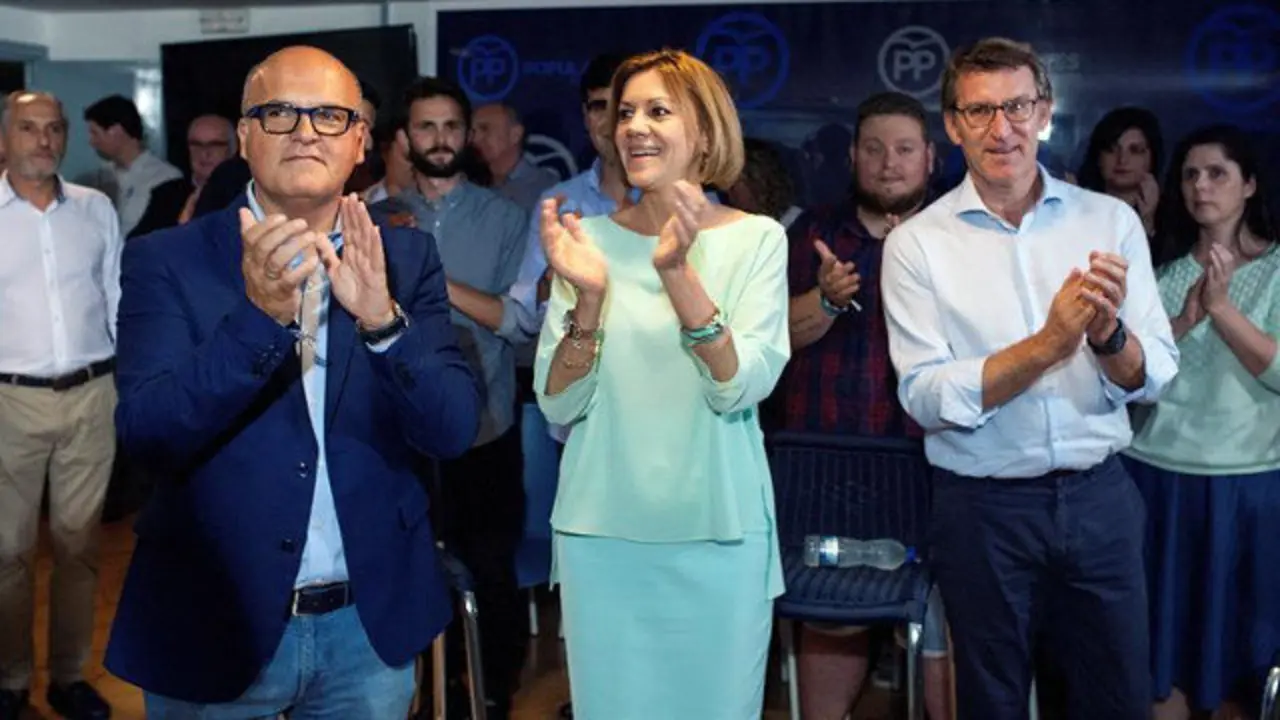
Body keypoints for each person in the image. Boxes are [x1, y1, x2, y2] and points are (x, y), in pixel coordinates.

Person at [104, 46, 481, 718]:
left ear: (360, 140)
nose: (306, 131)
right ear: (244, 136)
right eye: (279, 113)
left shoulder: (405, 259)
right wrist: (259, 319)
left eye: (331, 116)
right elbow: (148, 434)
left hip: (366, 626)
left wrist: (385, 325)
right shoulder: (166, 258)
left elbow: (451, 429)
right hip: (214, 616)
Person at [880, 37, 1179, 720]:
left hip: (1099, 497)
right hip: (983, 511)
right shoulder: (917, 245)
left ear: (1043, 111)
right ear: (952, 125)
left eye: (1016, 106)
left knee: (1114, 698)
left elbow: (1154, 374)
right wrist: (1048, 345)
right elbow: (926, 396)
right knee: (994, 702)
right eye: (979, 111)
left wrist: (1105, 336)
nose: (1001, 128)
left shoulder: (1109, 220)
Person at [534, 48, 789, 719]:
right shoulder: (581, 240)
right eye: (625, 113)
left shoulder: (757, 240)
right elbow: (557, 400)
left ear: (705, 131)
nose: (634, 127)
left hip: (718, 532)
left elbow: (738, 388)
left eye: (657, 111)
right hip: (602, 534)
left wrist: (678, 275)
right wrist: (587, 300)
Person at [781, 91, 952, 720]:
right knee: (835, 615)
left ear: (930, 158)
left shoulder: (958, 233)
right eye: (874, 149)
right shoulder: (814, 233)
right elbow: (771, 340)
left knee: (946, 615)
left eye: (904, 150)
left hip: (931, 464)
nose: (888, 164)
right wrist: (824, 301)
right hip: (829, 465)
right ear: (852, 156)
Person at [369, 76, 530, 719]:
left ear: (468, 136)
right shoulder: (374, 216)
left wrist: (429, 271)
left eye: (451, 127)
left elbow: (518, 322)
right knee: (401, 569)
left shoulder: (507, 218)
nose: (439, 140)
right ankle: (408, 693)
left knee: (489, 569)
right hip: (392, 429)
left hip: (482, 422)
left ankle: (487, 693)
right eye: (425, 127)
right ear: (405, 138)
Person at [1123, 124, 1280, 720]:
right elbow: (1127, 379)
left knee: (1239, 648)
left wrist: (1222, 309)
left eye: (1217, 173)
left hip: (1247, 485)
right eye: (1190, 174)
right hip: (1157, 477)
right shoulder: (1159, 273)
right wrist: (1188, 318)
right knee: (1162, 647)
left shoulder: (1277, 268)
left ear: (1249, 185)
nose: (1200, 185)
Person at [0, 90, 121, 720]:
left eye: (53, 129)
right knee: (7, 554)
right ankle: (11, 678)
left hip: (91, 396)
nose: (42, 140)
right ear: (4, 138)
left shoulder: (96, 209)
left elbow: (116, 296)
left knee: (79, 547)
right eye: (28, 128)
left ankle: (70, 678)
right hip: (8, 402)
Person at [84, 94, 182, 236]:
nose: (92, 142)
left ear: (116, 131)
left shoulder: (166, 179)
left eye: (95, 133)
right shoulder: (98, 179)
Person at [1077, 106, 1164, 238]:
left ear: (1152, 157)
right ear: (1098, 157)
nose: (1122, 160)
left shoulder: (1172, 216)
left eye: (1135, 150)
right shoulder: (1077, 207)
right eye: (1111, 149)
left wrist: (1147, 221)